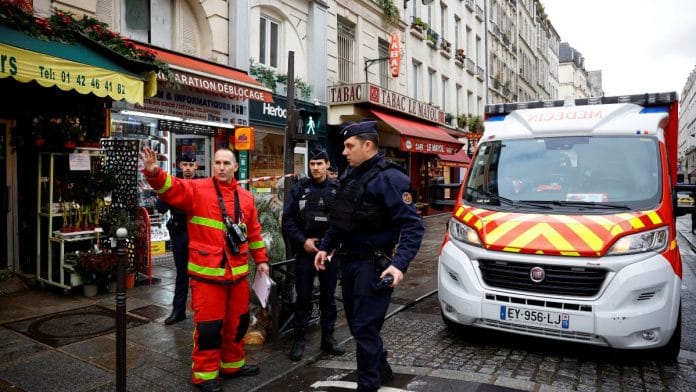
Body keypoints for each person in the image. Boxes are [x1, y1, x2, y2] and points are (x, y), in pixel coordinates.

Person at [140, 147, 269, 392]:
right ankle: (204, 375)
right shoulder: (197, 190)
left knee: (238, 324)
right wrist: (154, 172)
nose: (221, 167)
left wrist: (261, 260)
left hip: (238, 275)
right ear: (213, 165)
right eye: (217, 162)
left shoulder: (247, 197)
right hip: (208, 276)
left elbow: (253, 232)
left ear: (235, 167)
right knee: (209, 329)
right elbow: (172, 188)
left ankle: (232, 365)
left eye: (226, 163)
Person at [314, 119, 425, 392]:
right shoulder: (351, 176)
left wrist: (399, 265)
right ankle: (381, 369)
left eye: (349, 146)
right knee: (357, 325)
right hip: (349, 264)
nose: (343, 152)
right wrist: (325, 247)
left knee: (364, 328)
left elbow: (413, 226)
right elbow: (340, 220)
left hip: (373, 266)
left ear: (367, 145)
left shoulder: (390, 178)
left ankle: (369, 384)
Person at [282, 146, 345, 361]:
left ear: (327, 165)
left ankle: (328, 339)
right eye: (312, 164)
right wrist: (303, 242)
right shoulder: (299, 188)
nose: (316, 168)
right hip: (306, 252)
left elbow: (346, 221)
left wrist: (334, 245)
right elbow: (287, 220)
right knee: (303, 297)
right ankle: (299, 342)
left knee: (328, 298)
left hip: (329, 253)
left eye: (320, 164)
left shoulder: (339, 189)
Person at [155, 151, 198, 325]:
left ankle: (201, 310)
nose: (188, 169)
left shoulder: (202, 183)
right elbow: (160, 207)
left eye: (191, 165)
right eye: (184, 165)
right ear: (179, 165)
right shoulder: (174, 184)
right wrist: (169, 192)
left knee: (199, 274)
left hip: (198, 233)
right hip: (180, 232)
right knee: (181, 273)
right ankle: (178, 311)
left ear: (196, 166)